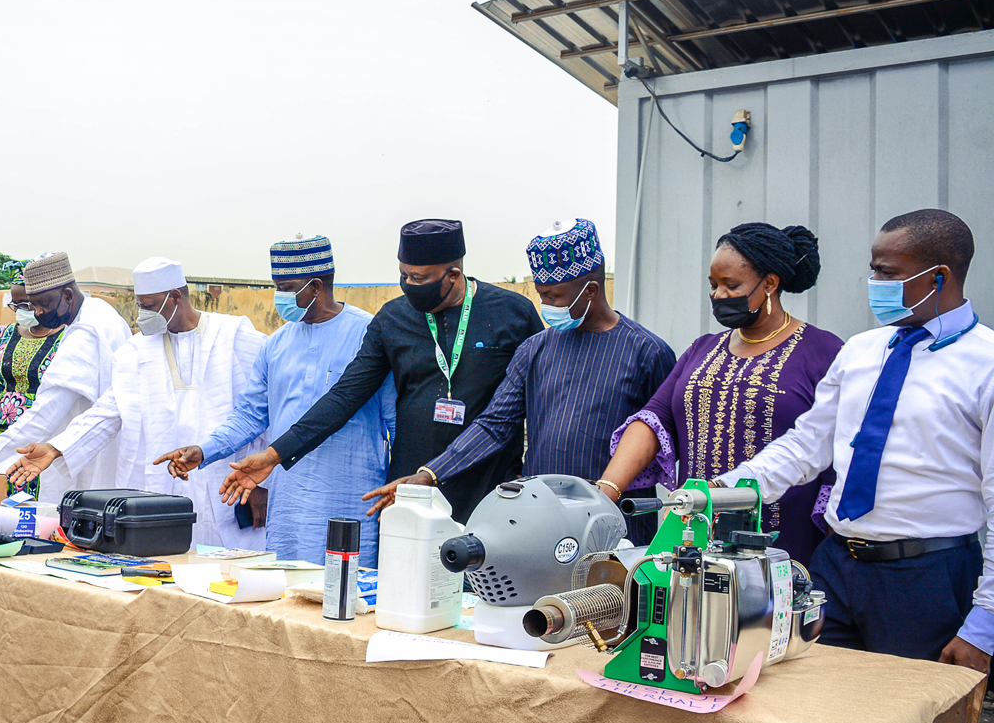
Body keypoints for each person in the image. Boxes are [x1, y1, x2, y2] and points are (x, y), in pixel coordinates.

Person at [714, 209, 993, 675]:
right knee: (809, 702)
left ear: (939, 277)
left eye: (887, 272)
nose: (873, 281)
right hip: (836, 565)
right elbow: (807, 445)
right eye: (873, 268)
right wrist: (727, 490)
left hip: (926, 577)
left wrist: (984, 622)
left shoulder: (985, 364)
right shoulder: (862, 351)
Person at [362, 218, 676, 546]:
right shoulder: (535, 349)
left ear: (591, 290)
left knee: (612, 597)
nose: (546, 307)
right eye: (542, 296)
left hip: (617, 523)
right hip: (544, 522)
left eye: (554, 296)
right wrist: (430, 475)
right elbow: (495, 425)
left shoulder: (647, 353)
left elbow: (664, 440)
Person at [214, 220, 544, 524]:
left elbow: (538, 402)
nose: (409, 286)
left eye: (420, 279)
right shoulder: (392, 319)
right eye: (404, 276)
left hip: (488, 480)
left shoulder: (513, 314)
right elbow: (345, 396)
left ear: (453, 275)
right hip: (408, 486)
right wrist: (274, 454)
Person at [598, 222, 843, 566]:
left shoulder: (823, 351)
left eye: (731, 285)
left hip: (784, 549)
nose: (718, 296)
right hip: (690, 541)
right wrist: (606, 492)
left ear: (770, 284)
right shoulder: (703, 350)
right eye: (713, 285)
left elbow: (841, 453)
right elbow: (655, 421)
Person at [152, 236, 396, 565]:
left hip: (351, 500)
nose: (279, 298)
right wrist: (204, 449)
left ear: (315, 287)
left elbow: (396, 424)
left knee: (348, 599)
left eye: (286, 287)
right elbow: (250, 416)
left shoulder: (369, 336)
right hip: (289, 506)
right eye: (275, 287)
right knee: (287, 601)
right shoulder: (276, 344)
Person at [5, 257, 268, 550]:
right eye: (140, 305)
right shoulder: (137, 350)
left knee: (225, 569)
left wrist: (261, 483)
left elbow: (264, 412)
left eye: (150, 306)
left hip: (224, 481)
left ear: (176, 298)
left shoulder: (234, 337)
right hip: (157, 485)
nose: (142, 314)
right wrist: (55, 448)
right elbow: (107, 413)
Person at [0, 252, 130, 504]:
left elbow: (45, 413)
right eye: (32, 305)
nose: (38, 312)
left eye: (42, 303)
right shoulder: (100, 313)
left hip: (83, 451)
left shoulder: (86, 333)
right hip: (86, 442)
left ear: (68, 295)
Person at [0, 260, 65, 499]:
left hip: (42, 442)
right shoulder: (1, 336)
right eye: (16, 305)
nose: (23, 310)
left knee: (35, 505)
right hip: (1, 434)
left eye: (28, 303)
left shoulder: (67, 340)